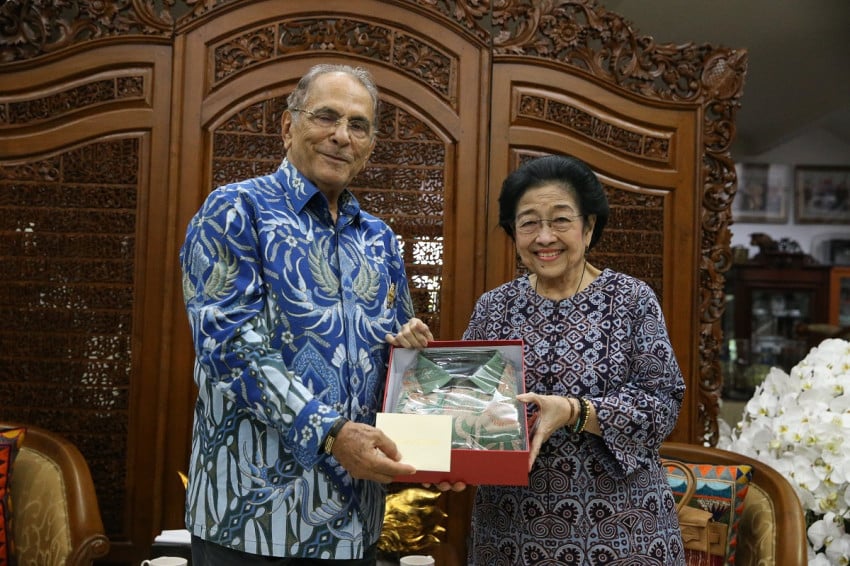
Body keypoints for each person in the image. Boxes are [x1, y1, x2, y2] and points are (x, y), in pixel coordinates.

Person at [179, 63, 433, 565]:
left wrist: (414, 358)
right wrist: (332, 434)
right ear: (288, 125)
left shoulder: (379, 239)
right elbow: (229, 347)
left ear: (371, 143)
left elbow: (397, 358)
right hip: (252, 522)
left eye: (358, 125)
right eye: (326, 117)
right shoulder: (235, 210)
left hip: (355, 521)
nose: (341, 136)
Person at [462, 154, 686, 564]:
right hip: (510, 534)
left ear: (589, 226)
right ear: (513, 233)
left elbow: (662, 404)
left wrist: (573, 411)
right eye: (528, 222)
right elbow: (465, 406)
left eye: (560, 220)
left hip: (622, 533)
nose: (544, 237)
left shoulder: (632, 301)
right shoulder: (494, 308)